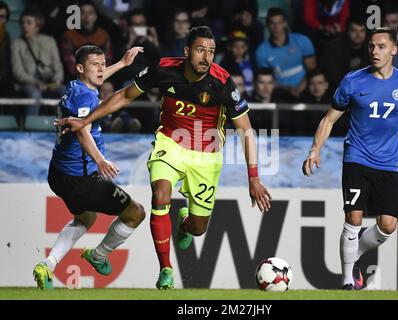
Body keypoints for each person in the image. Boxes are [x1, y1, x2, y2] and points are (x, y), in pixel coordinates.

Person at [56, 26, 272, 290]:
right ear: (187, 51)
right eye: (201, 50)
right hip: (170, 142)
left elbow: (246, 130)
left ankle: (184, 224)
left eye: (212, 51)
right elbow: (124, 96)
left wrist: (254, 178)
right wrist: (85, 120)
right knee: (160, 196)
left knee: (198, 228)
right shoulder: (164, 69)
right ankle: (166, 271)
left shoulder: (222, 82)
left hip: (206, 155)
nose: (206, 57)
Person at [302, 26, 398, 290]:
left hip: (388, 163)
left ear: (394, 49)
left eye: (380, 46)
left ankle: (354, 254)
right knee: (354, 218)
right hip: (356, 157)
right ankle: (347, 282)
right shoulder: (353, 81)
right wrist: (315, 149)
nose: (374, 51)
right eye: (371, 46)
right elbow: (329, 119)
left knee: (388, 226)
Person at [32, 45, 145, 290]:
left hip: (59, 173)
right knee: (136, 213)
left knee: (85, 217)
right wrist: (100, 160)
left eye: (104, 64)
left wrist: (123, 64)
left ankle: (48, 265)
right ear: (80, 68)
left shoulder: (75, 87)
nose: (102, 69)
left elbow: (97, 77)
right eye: (96, 65)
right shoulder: (86, 96)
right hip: (81, 178)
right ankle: (98, 255)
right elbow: (82, 128)